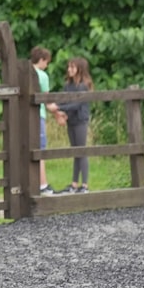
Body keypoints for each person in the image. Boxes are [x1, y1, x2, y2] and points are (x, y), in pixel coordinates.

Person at [55, 57, 94, 194]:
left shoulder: (83, 86)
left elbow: (77, 104)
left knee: (81, 151)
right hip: (71, 121)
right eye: (69, 67)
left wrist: (60, 108)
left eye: (72, 67)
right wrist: (60, 110)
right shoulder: (68, 85)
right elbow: (66, 101)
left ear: (79, 69)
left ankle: (85, 185)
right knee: (75, 152)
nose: (69, 70)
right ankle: (74, 183)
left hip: (80, 121)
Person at [30, 46, 63, 195]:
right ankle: (43, 184)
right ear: (42, 60)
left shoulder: (23, 74)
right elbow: (47, 102)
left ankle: (30, 184)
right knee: (40, 151)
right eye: (47, 62)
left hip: (24, 118)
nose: (47, 65)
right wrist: (58, 111)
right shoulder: (42, 76)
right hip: (38, 117)